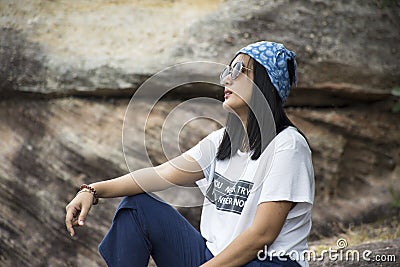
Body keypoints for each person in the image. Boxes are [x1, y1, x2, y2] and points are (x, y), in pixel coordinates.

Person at [65, 41, 315, 267]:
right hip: (215, 258)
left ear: (265, 84)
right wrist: (92, 190)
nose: (227, 80)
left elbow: (262, 235)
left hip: (265, 263)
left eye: (239, 70)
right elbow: (159, 174)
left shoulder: (287, 146)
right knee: (137, 206)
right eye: (227, 71)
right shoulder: (221, 143)